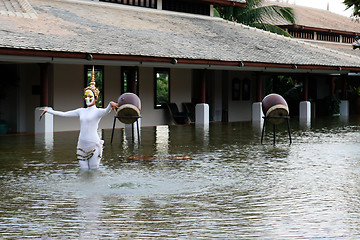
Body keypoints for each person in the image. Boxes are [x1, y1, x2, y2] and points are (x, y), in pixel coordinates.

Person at [39, 67, 117, 169]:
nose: (87, 99)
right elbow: (64, 114)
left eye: (90, 97)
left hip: (93, 145)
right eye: (86, 97)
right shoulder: (81, 111)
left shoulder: (98, 112)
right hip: (81, 144)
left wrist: (110, 105)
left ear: (96, 98)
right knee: (84, 171)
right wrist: (49, 111)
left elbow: (107, 111)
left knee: (93, 171)